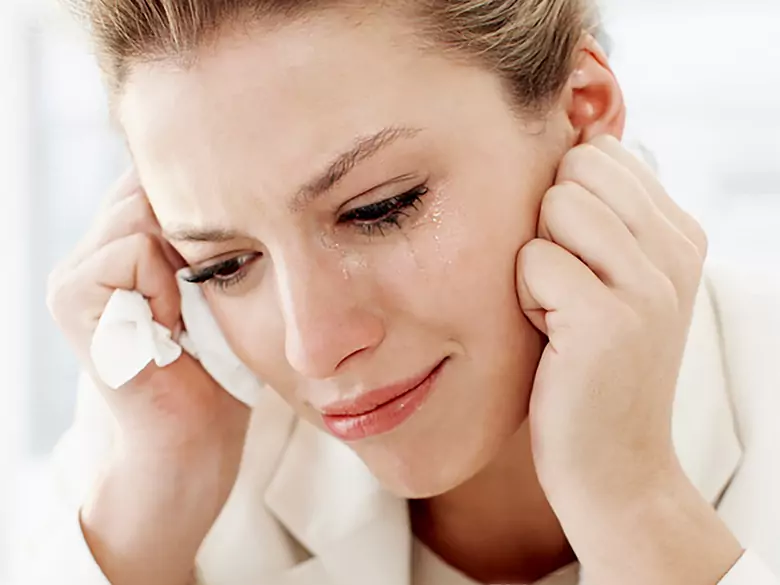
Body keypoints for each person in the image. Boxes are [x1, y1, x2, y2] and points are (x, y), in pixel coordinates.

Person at [26, 0, 780, 584]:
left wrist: (635, 504)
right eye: (224, 264)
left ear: (581, 109)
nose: (311, 345)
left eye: (379, 208)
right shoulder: (156, 437)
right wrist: (150, 512)